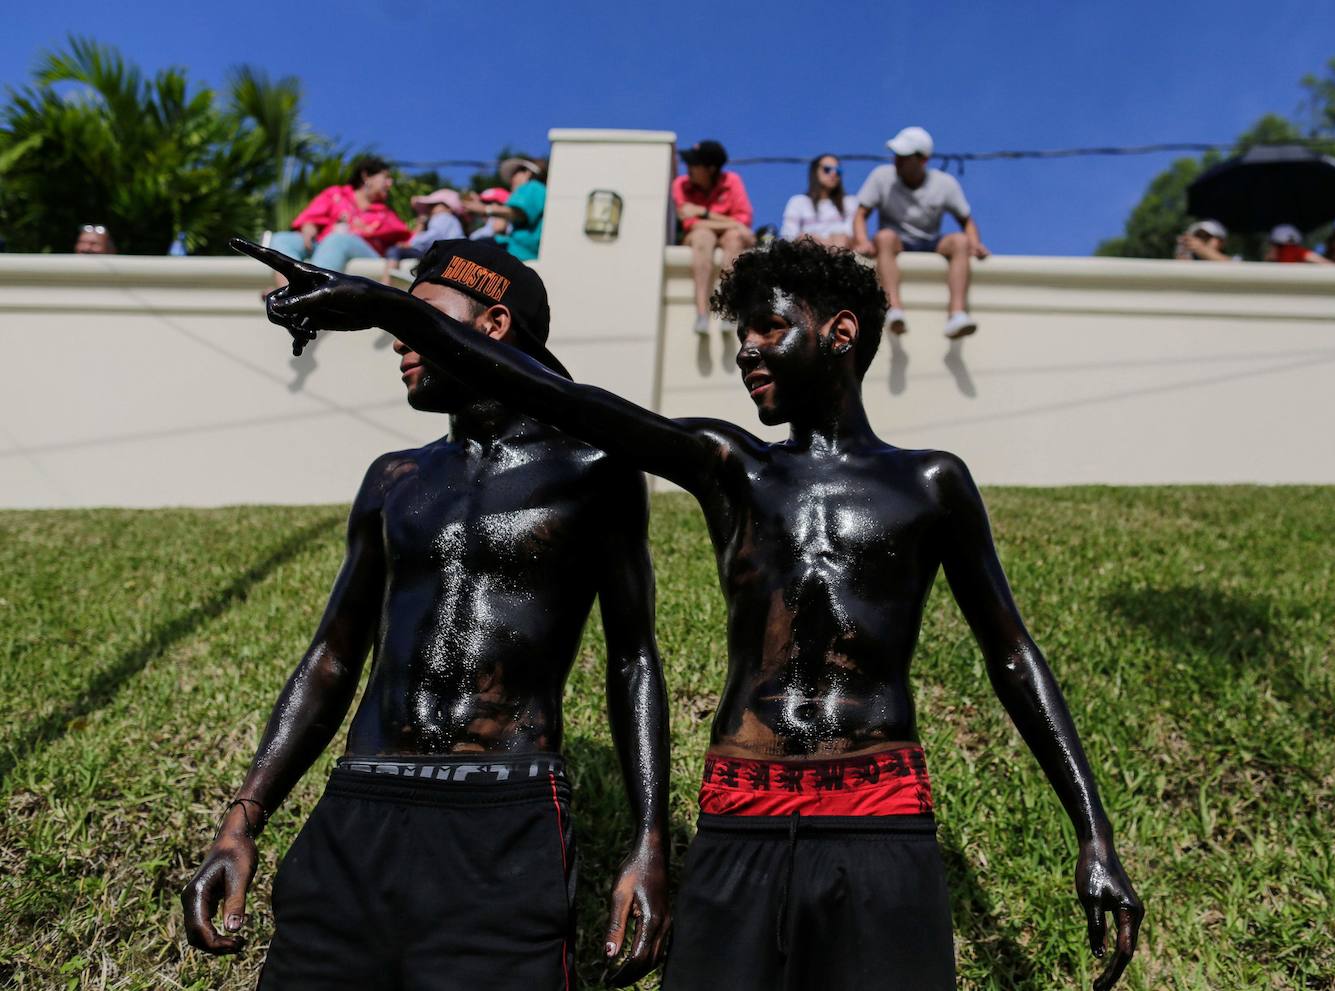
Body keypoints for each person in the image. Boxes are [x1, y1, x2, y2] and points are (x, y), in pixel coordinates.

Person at [239, 235, 1143, 991]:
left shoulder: (931, 482)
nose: (746, 349)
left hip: (880, 810)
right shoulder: (730, 467)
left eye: (766, 329)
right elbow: (567, 400)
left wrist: (1093, 832)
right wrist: (392, 308)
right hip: (737, 810)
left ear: (840, 332)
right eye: (739, 333)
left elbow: (1013, 656)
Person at [186, 239, 671, 989]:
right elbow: (333, 655)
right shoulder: (396, 478)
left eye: (421, 318)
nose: (398, 343)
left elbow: (632, 658)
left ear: (495, 323)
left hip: (503, 815)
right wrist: (245, 815)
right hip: (359, 805)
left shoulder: (593, 469)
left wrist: (648, 839)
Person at [853, 127, 988, 339]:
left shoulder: (945, 184)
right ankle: (894, 309)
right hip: (896, 241)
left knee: (960, 241)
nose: (897, 161)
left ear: (923, 160)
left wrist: (975, 243)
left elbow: (966, 221)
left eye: (904, 157)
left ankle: (957, 315)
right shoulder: (881, 177)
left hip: (930, 241)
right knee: (883, 237)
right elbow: (861, 213)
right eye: (897, 155)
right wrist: (862, 240)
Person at [266, 156, 411, 290]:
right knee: (282, 239)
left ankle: (312, 291)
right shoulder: (336, 194)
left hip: (363, 254)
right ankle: (290, 290)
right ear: (367, 176)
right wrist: (309, 228)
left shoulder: (386, 214)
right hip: (323, 246)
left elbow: (408, 241)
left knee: (338, 240)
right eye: (386, 177)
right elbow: (310, 219)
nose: (390, 183)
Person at [672, 140, 756, 336]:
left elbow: (744, 218)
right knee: (702, 237)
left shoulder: (732, 181)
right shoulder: (680, 185)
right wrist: (732, 223)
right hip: (702, 235)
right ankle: (702, 313)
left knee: (734, 239)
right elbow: (690, 223)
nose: (689, 168)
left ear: (710, 169)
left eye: (695, 164)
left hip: (728, 234)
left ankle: (728, 309)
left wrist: (703, 213)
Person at [462, 158, 546, 260]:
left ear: (527, 173)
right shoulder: (540, 191)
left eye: (514, 174)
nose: (511, 180)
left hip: (519, 251)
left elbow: (517, 212)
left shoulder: (533, 187)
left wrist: (484, 209)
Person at [381, 188, 466, 279]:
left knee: (395, 250)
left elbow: (434, 235)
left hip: (444, 255)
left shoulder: (442, 216)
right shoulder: (452, 221)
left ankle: (387, 282)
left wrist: (411, 244)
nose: (430, 208)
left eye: (434, 205)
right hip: (452, 255)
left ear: (448, 208)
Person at [780, 155, 858, 248]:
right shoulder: (798, 202)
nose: (833, 173)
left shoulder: (850, 202)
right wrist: (813, 239)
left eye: (838, 171)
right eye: (827, 169)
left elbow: (850, 235)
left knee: (839, 239)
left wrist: (821, 242)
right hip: (808, 253)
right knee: (806, 240)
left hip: (840, 250)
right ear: (815, 172)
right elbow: (788, 236)